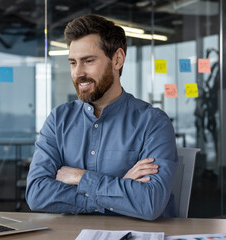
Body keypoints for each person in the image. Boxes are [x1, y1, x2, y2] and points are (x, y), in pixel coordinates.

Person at [25, 14, 178, 220]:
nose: (78, 73)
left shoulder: (153, 122)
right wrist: (119, 190)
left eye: (88, 61)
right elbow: (37, 194)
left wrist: (80, 177)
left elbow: (149, 202)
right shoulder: (58, 119)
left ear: (117, 59)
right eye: (72, 62)